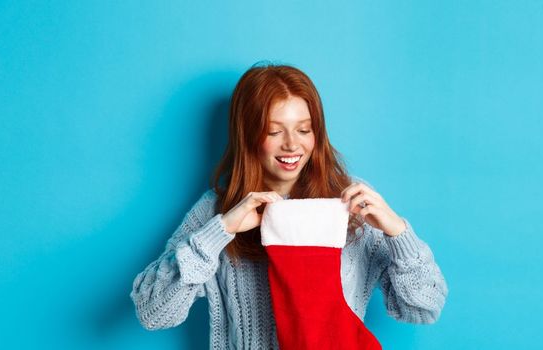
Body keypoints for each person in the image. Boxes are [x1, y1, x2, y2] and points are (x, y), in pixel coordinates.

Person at [131, 62, 448, 349]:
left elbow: (423, 308)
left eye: (303, 129)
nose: (292, 144)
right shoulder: (217, 210)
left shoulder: (350, 202)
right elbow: (153, 312)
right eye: (274, 131)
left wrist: (397, 233)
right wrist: (221, 230)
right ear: (250, 135)